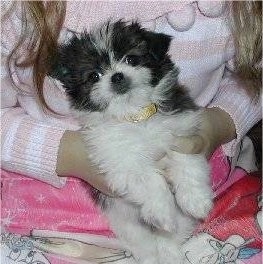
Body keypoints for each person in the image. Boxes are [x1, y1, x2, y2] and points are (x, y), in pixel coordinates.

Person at [1, 1, 261, 263]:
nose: (116, 75)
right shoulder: (14, 12)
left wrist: (220, 122)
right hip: (45, 212)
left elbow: (255, 77)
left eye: (130, 60)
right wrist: (66, 153)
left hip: (221, 198)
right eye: (94, 76)